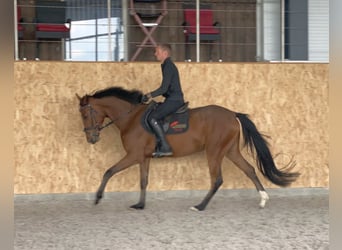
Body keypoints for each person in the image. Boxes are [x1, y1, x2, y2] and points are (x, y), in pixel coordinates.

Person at [141, 43, 185, 157]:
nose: (155, 54)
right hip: (172, 98)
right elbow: (166, 90)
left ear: (165, 53)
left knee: (152, 117)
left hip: (174, 100)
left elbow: (163, 88)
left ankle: (165, 147)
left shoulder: (168, 66)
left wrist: (149, 95)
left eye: (157, 52)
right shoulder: (167, 65)